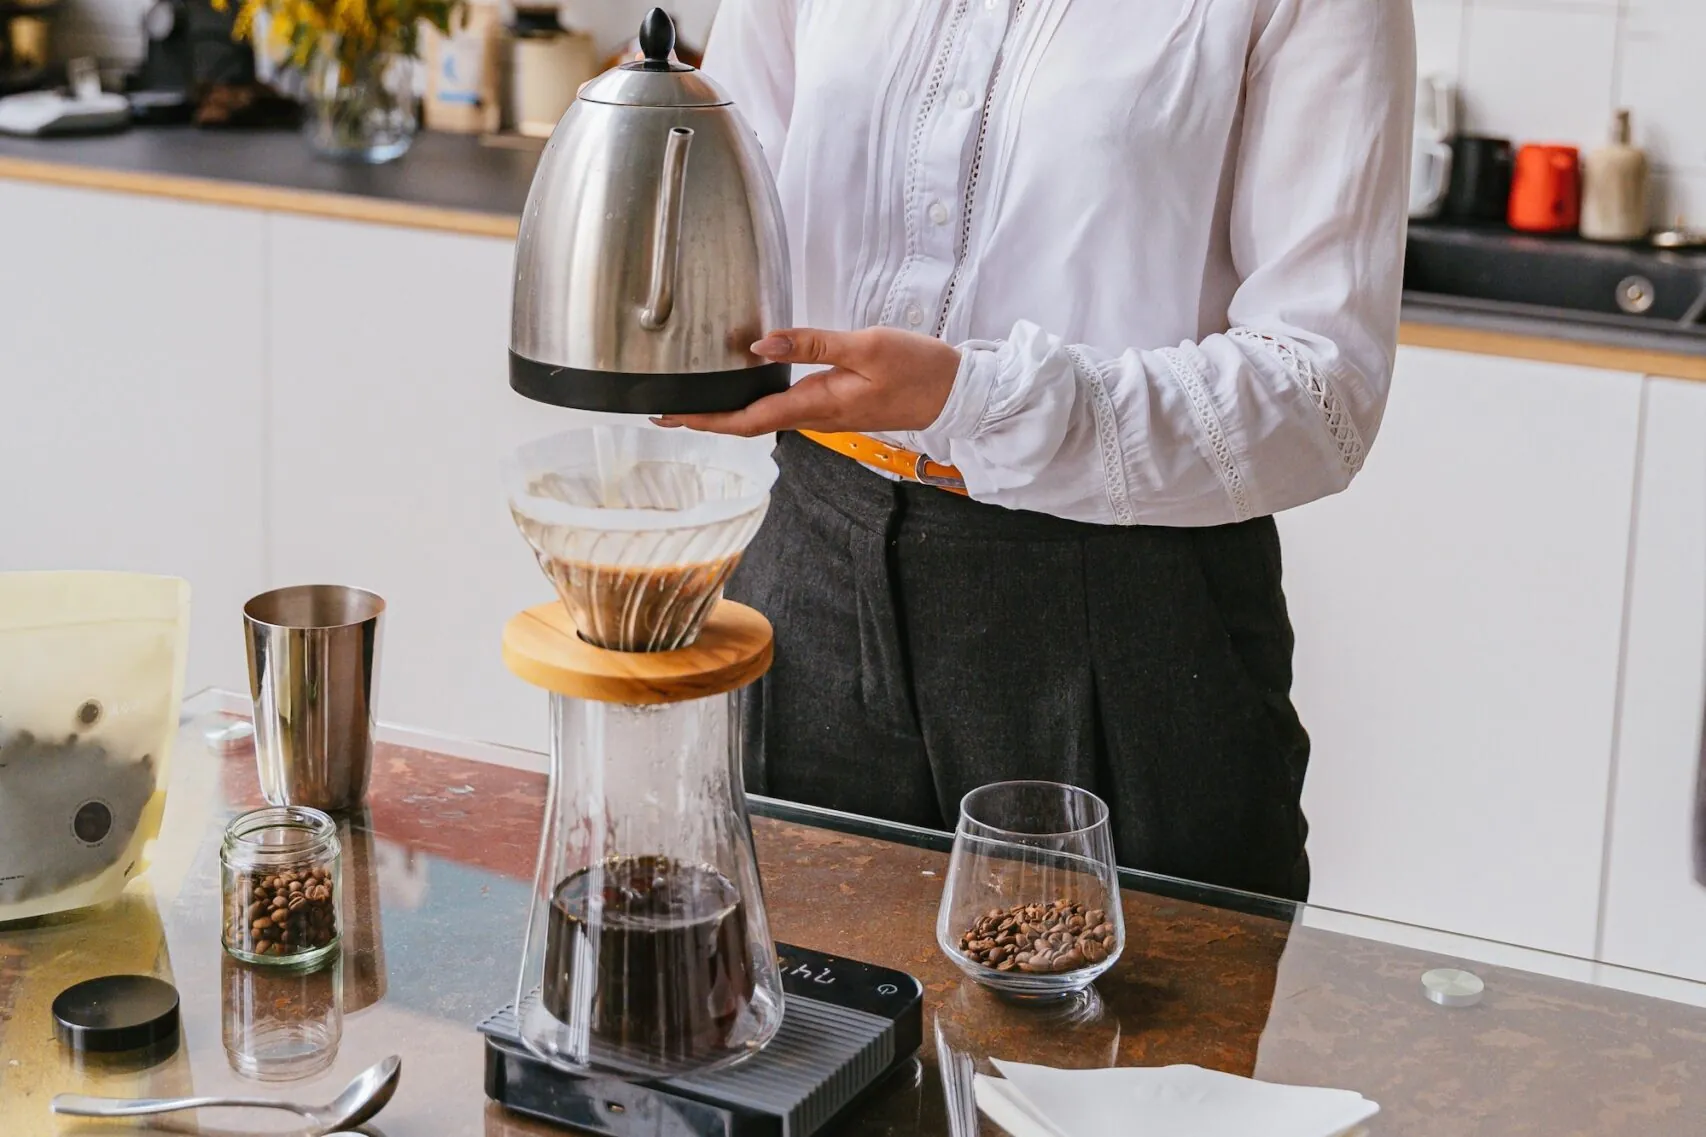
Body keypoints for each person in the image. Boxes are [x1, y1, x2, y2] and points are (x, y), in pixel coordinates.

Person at [660, 0, 1415, 901]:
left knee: (1123, 1037)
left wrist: (979, 398)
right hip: (810, 569)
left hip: (1123, 609)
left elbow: (1324, 396)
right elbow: (738, 195)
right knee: (798, 1020)